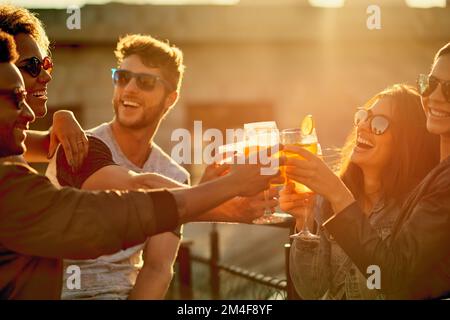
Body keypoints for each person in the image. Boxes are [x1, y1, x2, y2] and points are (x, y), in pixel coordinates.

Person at [0, 31, 281, 300]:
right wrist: (230, 192)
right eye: (122, 78)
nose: (129, 88)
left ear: (170, 99)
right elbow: (139, 186)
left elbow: (158, 268)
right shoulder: (79, 145)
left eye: (145, 82)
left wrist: (218, 192)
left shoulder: (174, 174)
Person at [281, 42, 450, 299]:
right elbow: (311, 291)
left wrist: (337, 193)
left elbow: (393, 276)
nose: (364, 126)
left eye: (380, 124)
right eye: (362, 116)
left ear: (406, 142)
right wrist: (305, 220)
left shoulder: (413, 207)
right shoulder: (330, 199)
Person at [0, 4, 88, 170]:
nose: (47, 76)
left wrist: (63, 117)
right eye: (32, 66)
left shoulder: (9, 140)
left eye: (46, 65)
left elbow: (52, 147)